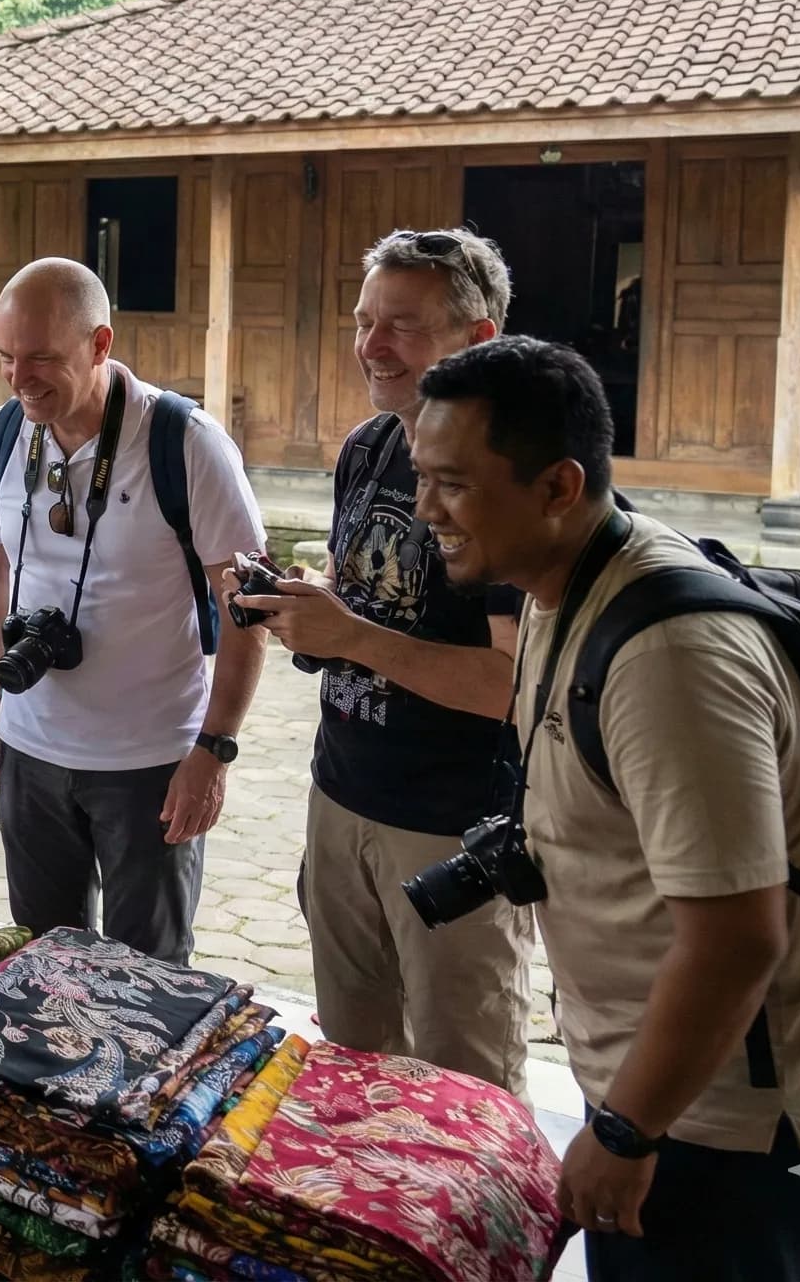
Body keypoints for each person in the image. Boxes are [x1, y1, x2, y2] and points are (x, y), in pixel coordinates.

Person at [412, 337, 800, 1280]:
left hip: (733, 1124)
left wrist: (627, 1130)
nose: (427, 508)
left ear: (558, 488)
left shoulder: (668, 659)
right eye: (423, 477)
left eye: (454, 484)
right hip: (681, 1095)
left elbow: (736, 939)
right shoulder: (564, 580)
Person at [230, 229, 532, 1094]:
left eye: (403, 325)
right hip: (342, 796)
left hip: (452, 829)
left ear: (478, 339)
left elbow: (517, 685)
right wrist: (308, 607)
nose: (372, 345)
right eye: (365, 321)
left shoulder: (513, 479)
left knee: (460, 1091)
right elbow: (374, 603)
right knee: (353, 1068)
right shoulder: (368, 447)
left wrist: (354, 637)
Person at [0, 258, 263, 966]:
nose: (19, 379)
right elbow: (0, 569)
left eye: (41, 358)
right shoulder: (2, 434)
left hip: (149, 764)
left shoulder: (183, 442)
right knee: (42, 966)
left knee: (149, 976)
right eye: (7, 357)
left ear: (100, 344)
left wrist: (215, 749)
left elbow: (246, 607)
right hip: (31, 752)